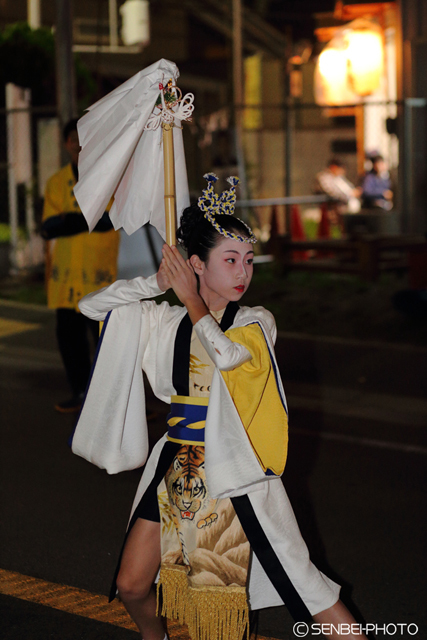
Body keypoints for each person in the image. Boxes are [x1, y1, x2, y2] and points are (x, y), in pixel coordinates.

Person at [72, 174, 368, 640]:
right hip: (175, 465)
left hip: (237, 474)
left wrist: (191, 299)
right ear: (196, 264)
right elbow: (91, 308)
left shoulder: (254, 322)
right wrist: (154, 283)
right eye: (229, 260)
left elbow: (227, 357)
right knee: (130, 585)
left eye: (248, 260)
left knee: (307, 591)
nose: (243, 273)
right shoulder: (163, 320)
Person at [41, 119, 120, 413]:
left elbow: (111, 220)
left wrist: (70, 221)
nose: (78, 145)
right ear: (65, 144)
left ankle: (117, 402)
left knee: (107, 341)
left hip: (98, 275)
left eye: (83, 139)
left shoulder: (107, 178)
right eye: (73, 139)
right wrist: (87, 221)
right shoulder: (56, 182)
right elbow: (49, 227)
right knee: (70, 339)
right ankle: (81, 393)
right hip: (66, 277)